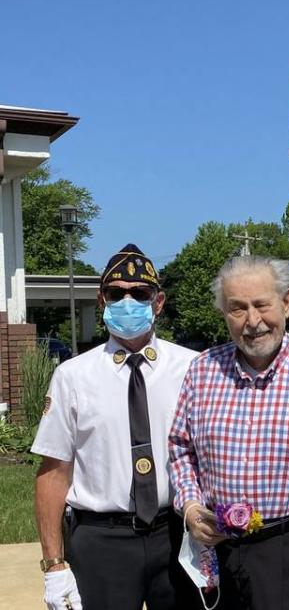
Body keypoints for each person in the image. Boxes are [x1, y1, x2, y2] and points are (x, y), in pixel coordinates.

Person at [168, 255, 289, 610]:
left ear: (286, 302)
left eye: (262, 305)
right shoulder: (202, 371)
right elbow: (180, 450)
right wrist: (192, 507)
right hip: (218, 550)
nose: (253, 321)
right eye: (237, 309)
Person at [32, 243, 201, 610]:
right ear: (102, 299)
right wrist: (53, 566)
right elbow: (53, 473)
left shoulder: (194, 369)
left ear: (158, 302)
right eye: (116, 293)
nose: (128, 301)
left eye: (140, 293)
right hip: (101, 542)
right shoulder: (72, 376)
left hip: (175, 536)